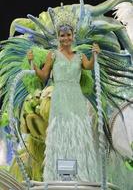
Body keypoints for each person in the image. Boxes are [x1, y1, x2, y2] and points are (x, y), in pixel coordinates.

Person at [27, 21, 101, 182]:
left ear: (73, 36)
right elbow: (43, 76)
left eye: (68, 35)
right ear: (58, 37)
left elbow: (88, 67)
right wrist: (32, 63)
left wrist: (95, 55)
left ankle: (80, 175)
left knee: (77, 133)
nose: (65, 38)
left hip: (76, 98)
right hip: (60, 97)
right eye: (62, 35)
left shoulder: (80, 56)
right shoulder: (52, 55)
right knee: (61, 134)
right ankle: (60, 176)